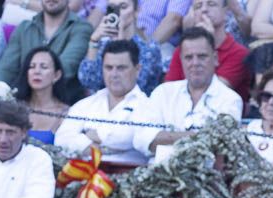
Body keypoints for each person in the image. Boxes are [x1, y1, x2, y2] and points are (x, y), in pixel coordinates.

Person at [133, 27, 242, 163]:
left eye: (202, 56)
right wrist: (195, 136)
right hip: (156, 175)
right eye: (188, 57)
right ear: (181, 60)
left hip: (204, 179)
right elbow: (141, 139)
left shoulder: (230, 99)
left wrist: (165, 138)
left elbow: (220, 146)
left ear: (215, 58)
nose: (195, 63)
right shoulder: (163, 93)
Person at [55, 39, 151, 164]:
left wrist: (90, 135)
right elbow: (61, 140)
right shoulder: (86, 104)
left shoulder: (147, 106)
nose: (114, 74)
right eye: (108, 68)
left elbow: (129, 138)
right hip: (82, 176)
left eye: (121, 68)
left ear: (137, 70)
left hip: (127, 176)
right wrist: (99, 146)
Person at [0, 0, 95, 100]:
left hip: (64, 104)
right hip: (24, 102)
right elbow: (5, 70)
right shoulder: (24, 28)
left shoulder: (82, 28)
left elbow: (66, 68)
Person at [165, 0, 252, 102]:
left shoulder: (239, 53)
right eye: (198, 6)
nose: (204, 9)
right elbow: (168, 93)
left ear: (226, 12)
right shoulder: (183, 50)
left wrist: (208, 43)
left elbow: (210, 93)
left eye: (211, 4)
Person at [79, 0, 164, 95]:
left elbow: (136, 85)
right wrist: (94, 41)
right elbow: (88, 81)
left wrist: (121, 42)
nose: (117, 12)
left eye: (123, 7)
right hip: (102, 104)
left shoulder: (149, 48)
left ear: (136, 11)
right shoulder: (102, 44)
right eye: (112, 8)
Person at [13, 46, 75, 141]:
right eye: (32, 67)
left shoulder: (65, 113)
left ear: (56, 75)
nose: (37, 72)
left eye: (44, 67)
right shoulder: (15, 108)